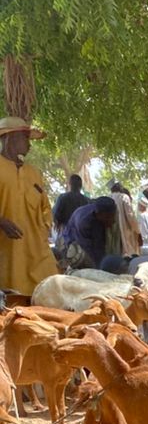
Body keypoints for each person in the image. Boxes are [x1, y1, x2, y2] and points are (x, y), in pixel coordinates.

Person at [0, 116, 58, 299]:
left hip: (36, 255)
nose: (29, 145)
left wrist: (44, 228)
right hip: (7, 257)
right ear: (9, 137)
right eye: (25, 138)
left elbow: (45, 208)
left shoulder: (34, 173)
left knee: (46, 300)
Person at [62, 195, 117, 269]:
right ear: (99, 214)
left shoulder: (99, 218)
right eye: (109, 217)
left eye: (113, 216)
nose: (113, 221)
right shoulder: (83, 223)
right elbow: (89, 251)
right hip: (73, 240)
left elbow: (99, 246)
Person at [108, 182, 141, 258]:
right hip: (125, 232)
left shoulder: (108, 197)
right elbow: (130, 216)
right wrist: (138, 231)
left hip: (111, 231)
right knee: (127, 254)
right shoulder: (124, 197)